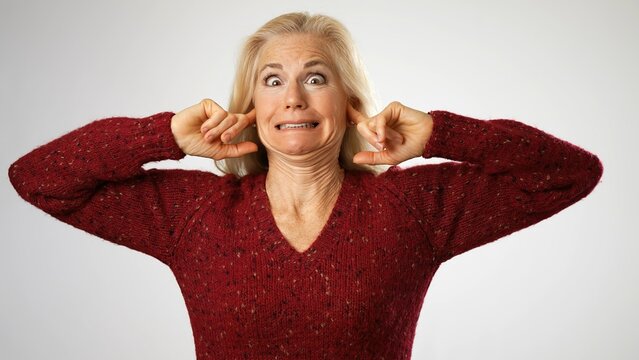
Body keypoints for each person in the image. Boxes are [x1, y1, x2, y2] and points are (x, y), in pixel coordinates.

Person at [8, 11, 603, 360]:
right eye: (272, 80)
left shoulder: (413, 206)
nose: (293, 97)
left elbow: (569, 175)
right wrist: (160, 135)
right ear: (250, 106)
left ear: (347, 103)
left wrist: (445, 133)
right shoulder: (194, 213)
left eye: (314, 78)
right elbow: (38, 179)